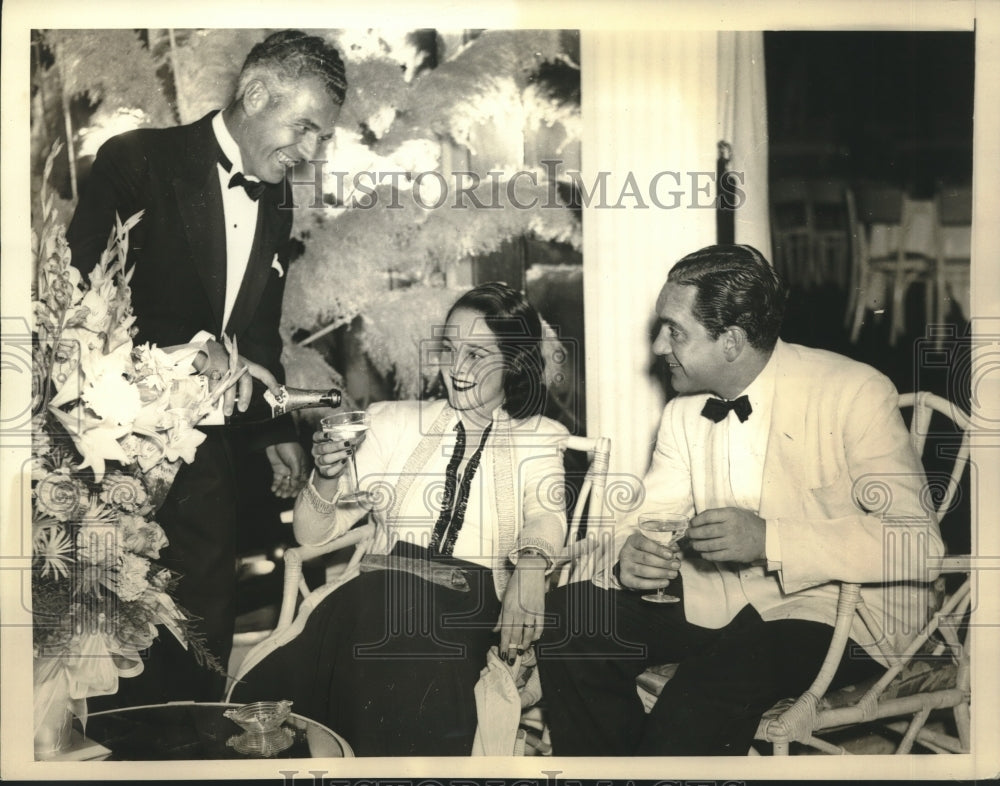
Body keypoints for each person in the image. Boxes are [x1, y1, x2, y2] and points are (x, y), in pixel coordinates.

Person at [535, 244, 945, 756]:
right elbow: (644, 520)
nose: (659, 345)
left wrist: (769, 538)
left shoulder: (854, 391)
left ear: (730, 341)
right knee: (572, 618)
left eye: (674, 330)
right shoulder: (685, 415)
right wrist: (628, 553)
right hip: (723, 601)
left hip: (842, 611)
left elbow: (918, 545)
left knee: (708, 686)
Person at [66, 30, 347, 703]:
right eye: (303, 127)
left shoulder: (276, 197)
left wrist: (273, 430)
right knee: (111, 642)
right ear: (255, 94)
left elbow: (255, 332)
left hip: (212, 456)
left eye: (321, 138)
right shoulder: (136, 160)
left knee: (201, 634)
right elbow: (79, 307)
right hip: (117, 455)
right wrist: (199, 353)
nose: (308, 151)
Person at [231, 282, 569, 756]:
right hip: (374, 595)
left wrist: (532, 566)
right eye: (449, 349)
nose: (457, 368)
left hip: (463, 609)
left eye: (477, 354)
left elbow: (546, 515)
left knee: (401, 625)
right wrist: (327, 477)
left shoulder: (539, 437)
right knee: (385, 604)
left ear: (513, 362)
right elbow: (312, 533)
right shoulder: (391, 420)